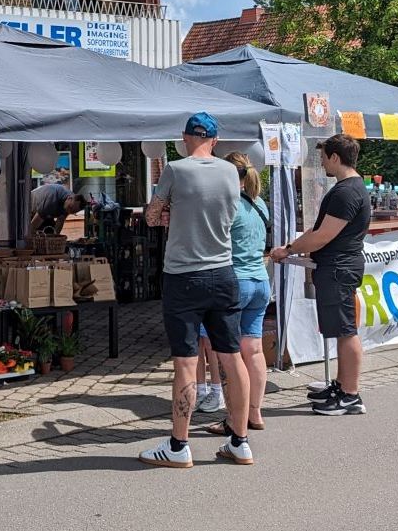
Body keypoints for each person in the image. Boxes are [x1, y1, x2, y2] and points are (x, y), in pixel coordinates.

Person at [139, 112, 253, 468]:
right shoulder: (231, 172)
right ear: (216, 141)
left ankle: (178, 446)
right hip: (223, 272)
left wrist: (169, 210)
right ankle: (240, 440)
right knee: (232, 358)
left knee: (187, 364)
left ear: (185, 137)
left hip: (184, 276)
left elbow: (152, 217)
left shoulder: (175, 169)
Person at [271, 133, 371, 416]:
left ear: (335, 158)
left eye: (324, 156)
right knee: (341, 330)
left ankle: (350, 395)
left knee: (345, 331)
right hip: (338, 268)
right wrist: (293, 247)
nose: (322, 162)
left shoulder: (346, 192)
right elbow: (317, 233)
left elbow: (323, 236)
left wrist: (289, 249)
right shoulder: (350, 188)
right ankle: (342, 386)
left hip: (338, 268)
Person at [207, 151, 272, 435]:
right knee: (254, 350)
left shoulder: (227, 205)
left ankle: (234, 417)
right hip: (260, 281)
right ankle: (255, 412)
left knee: (228, 354)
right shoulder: (260, 204)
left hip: (235, 283)